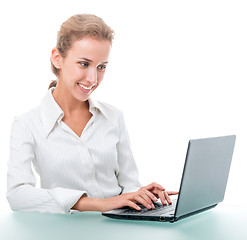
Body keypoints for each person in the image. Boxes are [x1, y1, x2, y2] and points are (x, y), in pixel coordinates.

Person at [6, 14, 178, 214]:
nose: (92, 79)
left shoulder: (114, 117)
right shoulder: (27, 124)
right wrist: (99, 204)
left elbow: (128, 185)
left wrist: (140, 195)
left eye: (101, 67)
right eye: (84, 64)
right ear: (57, 58)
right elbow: (17, 195)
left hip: (117, 228)